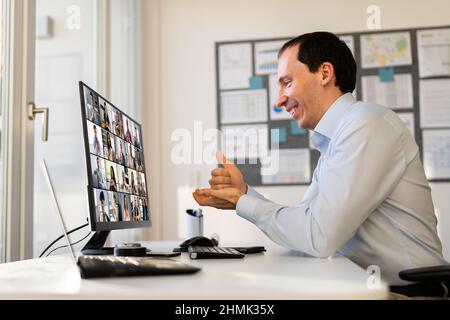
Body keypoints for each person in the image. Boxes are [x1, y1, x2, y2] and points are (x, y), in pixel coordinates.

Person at [193, 32, 447, 296]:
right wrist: (244, 193)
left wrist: (242, 202)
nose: (279, 100)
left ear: (325, 73)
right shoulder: (338, 138)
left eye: (287, 83)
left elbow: (318, 236)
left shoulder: (366, 124)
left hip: (410, 293)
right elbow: (306, 228)